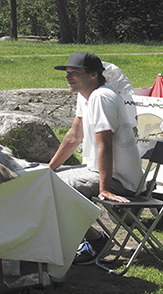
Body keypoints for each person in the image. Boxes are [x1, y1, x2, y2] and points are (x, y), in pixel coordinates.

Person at [48, 51, 143, 266]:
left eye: (75, 73)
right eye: (67, 73)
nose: (68, 77)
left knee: (56, 189)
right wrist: (50, 168)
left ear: (93, 75)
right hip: (96, 171)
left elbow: (105, 144)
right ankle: (91, 238)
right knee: (47, 181)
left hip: (121, 181)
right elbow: (74, 136)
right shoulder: (85, 96)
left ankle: (95, 240)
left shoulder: (102, 97)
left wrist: (105, 188)